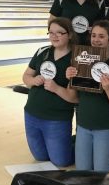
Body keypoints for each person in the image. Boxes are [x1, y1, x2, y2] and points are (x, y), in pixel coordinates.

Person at [66, 20, 109, 172]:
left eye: (101, 36)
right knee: (82, 171)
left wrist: (108, 88)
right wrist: (70, 80)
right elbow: (73, 97)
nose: (96, 40)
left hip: (105, 129)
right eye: (93, 35)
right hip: (83, 126)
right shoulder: (81, 62)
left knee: (100, 172)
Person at [23, 17, 78, 167]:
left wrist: (56, 88)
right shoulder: (42, 51)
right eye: (51, 32)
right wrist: (33, 81)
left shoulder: (77, 59)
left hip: (56, 118)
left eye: (59, 32)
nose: (54, 36)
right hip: (31, 114)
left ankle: (82, 144)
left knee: (61, 161)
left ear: (70, 35)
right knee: (40, 157)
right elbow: (26, 76)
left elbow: (74, 98)